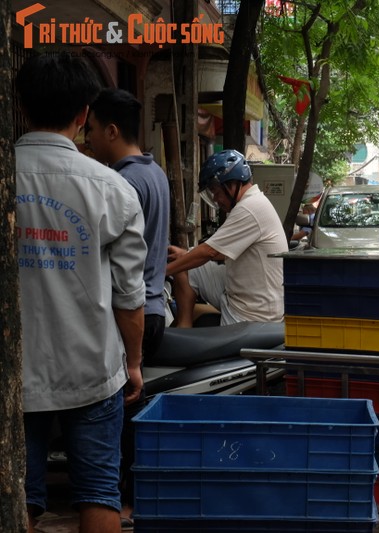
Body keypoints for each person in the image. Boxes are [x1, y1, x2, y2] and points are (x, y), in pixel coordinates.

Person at [16, 52, 147, 533]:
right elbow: (129, 296)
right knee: (98, 492)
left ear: (23, 108)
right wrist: (132, 363)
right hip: (93, 368)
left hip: (14, 372)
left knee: (17, 499)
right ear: (84, 115)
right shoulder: (112, 189)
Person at [84, 88, 171, 524]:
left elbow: (123, 271)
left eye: (93, 130)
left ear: (112, 130)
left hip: (133, 312)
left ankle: (127, 502)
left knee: (122, 421)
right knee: (131, 416)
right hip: (153, 308)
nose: (88, 140)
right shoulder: (154, 173)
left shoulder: (123, 182)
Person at [166, 149, 288, 327]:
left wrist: (161, 272)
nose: (215, 199)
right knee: (186, 267)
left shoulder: (249, 208)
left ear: (232, 184)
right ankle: (184, 325)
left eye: (216, 192)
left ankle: (184, 332)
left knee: (182, 267)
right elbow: (221, 253)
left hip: (251, 314)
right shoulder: (252, 203)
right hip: (249, 294)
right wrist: (185, 255)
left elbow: (209, 251)